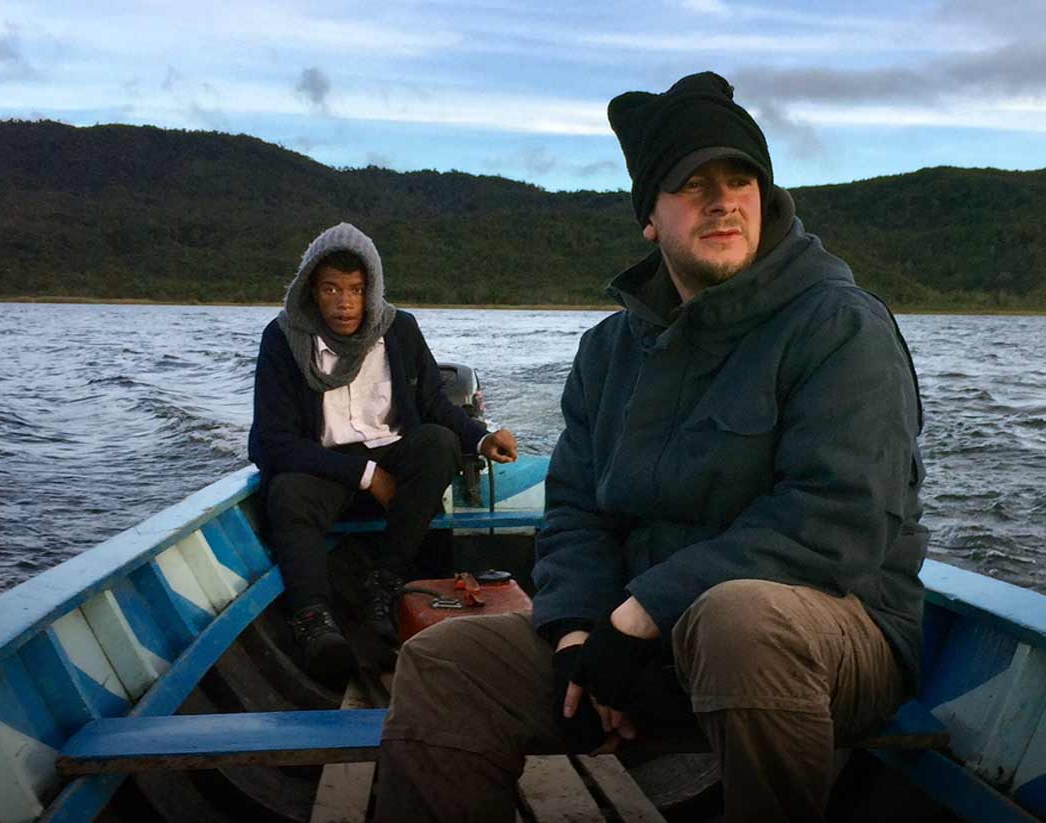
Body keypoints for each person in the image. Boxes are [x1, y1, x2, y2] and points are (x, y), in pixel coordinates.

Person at [372, 71, 928, 821]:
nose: (723, 200)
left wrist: (638, 617)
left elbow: (838, 521)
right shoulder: (609, 352)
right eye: (692, 184)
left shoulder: (838, 327)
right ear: (649, 218)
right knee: (445, 664)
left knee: (738, 620)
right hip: (645, 642)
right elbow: (576, 512)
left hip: (833, 634)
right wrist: (577, 634)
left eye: (740, 180)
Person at [249, 222, 518, 687]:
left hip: (396, 463)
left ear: (371, 289)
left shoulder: (399, 329)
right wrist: (367, 474)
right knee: (286, 491)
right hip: (326, 468)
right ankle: (314, 620)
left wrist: (481, 438)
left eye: (356, 289)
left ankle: (385, 583)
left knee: (438, 442)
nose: (344, 302)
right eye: (331, 288)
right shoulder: (283, 339)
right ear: (311, 290)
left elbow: (435, 404)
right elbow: (270, 442)